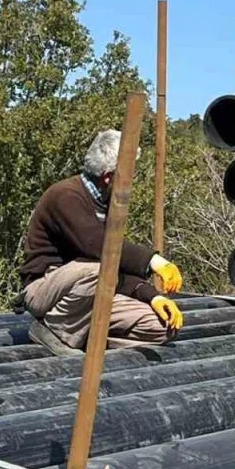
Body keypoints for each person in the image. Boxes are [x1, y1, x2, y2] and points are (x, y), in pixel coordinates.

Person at [19, 129, 186, 353]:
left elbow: (114, 267)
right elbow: (100, 249)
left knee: (160, 327)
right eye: (128, 173)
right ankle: (53, 332)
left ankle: (86, 340)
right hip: (46, 290)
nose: (132, 180)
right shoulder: (66, 196)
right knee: (97, 270)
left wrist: (152, 296)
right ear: (108, 176)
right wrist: (154, 261)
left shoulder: (106, 203)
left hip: (90, 292)